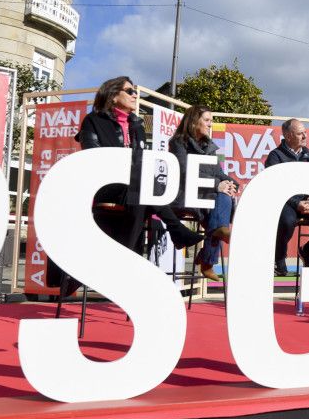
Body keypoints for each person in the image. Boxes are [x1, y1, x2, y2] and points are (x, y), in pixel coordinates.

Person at [73, 76, 203, 251]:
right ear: (113, 96)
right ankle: (174, 230)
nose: (135, 95)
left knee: (143, 195)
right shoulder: (93, 121)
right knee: (144, 190)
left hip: (135, 188)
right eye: (129, 91)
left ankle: (127, 253)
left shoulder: (137, 125)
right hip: (109, 185)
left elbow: (141, 161)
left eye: (135, 91)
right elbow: (94, 157)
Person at [169, 105, 237, 281]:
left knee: (224, 197)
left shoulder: (209, 146)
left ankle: (216, 237)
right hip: (185, 194)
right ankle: (206, 260)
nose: (210, 125)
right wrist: (217, 185)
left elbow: (219, 173)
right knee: (219, 207)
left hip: (207, 196)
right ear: (193, 121)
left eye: (211, 121)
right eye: (207, 120)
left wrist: (230, 183)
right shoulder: (178, 142)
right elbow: (184, 171)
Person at [265, 119, 309, 276]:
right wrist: (296, 203)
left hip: (306, 202)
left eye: (305, 132)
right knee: (287, 221)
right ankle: (279, 257)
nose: (305, 136)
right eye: (300, 133)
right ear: (287, 135)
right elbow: (275, 187)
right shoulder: (275, 156)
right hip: (286, 202)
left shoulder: (308, 154)